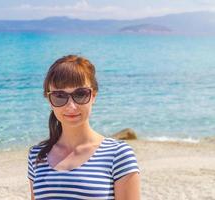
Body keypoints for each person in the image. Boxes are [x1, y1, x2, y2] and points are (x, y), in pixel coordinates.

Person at [27, 55, 140, 200]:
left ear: (93, 96)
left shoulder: (118, 154)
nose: (71, 106)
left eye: (80, 94)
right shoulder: (37, 155)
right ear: (49, 100)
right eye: (59, 96)